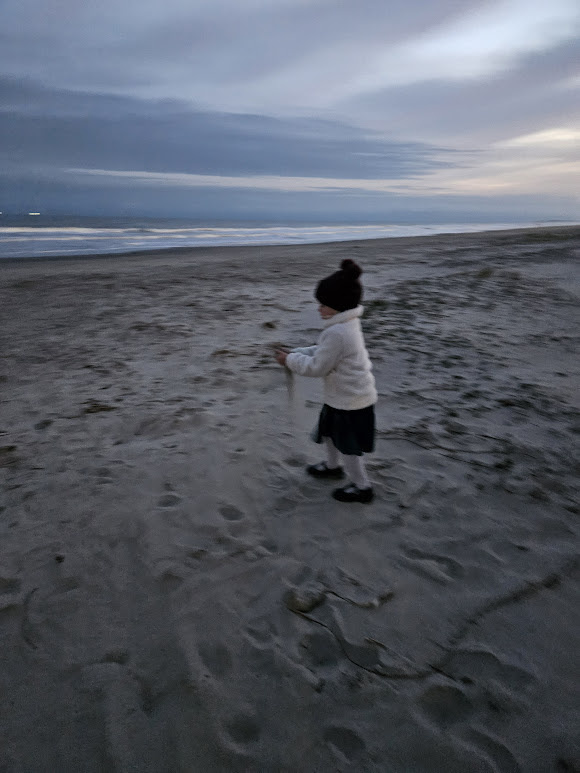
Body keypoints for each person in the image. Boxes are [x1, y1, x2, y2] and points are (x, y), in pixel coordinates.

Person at [276, 258, 377, 503]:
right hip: (345, 396)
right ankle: (333, 467)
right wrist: (296, 352)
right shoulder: (347, 324)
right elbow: (324, 352)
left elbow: (317, 367)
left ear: (339, 305)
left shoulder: (337, 332)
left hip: (350, 401)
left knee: (348, 446)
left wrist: (289, 360)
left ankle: (362, 487)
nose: (319, 308)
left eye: (324, 304)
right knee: (330, 433)